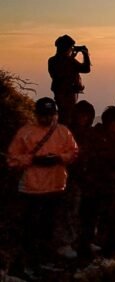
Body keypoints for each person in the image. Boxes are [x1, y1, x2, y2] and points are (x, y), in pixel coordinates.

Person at [5, 98, 78, 276]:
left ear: (56, 115)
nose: (47, 119)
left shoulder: (63, 132)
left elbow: (73, 153)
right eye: (44, 115)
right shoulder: (26, 132)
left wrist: (59, 158)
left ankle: (42, 261)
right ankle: (26, 264)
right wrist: (33, 160)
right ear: (37, 115)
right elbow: (11, 159)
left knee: (48, 228)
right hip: (31, 189)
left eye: (50, 115)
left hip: (55, 187)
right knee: (30, 229)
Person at [78, 107, 115, 259]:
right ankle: (106, 250)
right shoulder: (99, 137)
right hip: (98, 184)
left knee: (93, 218)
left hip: (101, 184)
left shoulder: (102, 135)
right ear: (112, 123)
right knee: (101, 218)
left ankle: (94, 248)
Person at [53, 100, 96, 260]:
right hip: (70, 177)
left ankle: (79, 241)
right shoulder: (68, 132)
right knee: (70, 209)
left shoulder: (88, 133)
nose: (83, 118)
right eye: (81, 115)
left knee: (84, 211)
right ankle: (65, 243)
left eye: (86, 115)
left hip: (86, 177)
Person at [48, 35, 91, 125]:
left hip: (60, 94)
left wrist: (71, 57)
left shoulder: (52, 60)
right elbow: (86, 69)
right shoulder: (69, 61)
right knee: (67, 116)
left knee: (63, 115)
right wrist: (85, 54)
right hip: (68, 95)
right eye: (70, 48)